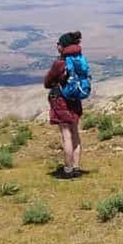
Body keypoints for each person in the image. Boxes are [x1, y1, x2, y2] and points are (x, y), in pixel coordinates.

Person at [44, 31, 88, 179]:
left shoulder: (59, 63)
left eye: (59, 44)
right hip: (75, 100)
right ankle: (76, 167)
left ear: (62, 46)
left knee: (66, 136)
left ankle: (68, 171)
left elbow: (47, 83)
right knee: (75, 133)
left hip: (61, 101)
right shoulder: (79, 60)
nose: (57, 45)